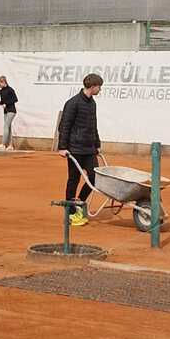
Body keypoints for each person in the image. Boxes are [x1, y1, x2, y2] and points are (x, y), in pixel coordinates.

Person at [57, 74, 103, 226]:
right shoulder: (73, 103)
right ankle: (70, 213)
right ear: (92, 86)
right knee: (74, 180)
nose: (100, 89)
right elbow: (64, 125)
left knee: (94, 177)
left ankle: (80, 204)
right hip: (75, 149)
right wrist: (62, 147)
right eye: (99, 86)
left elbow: (94, 125)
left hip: (89, 149)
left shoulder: (92, 104)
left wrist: (97, 144)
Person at [0, 75, 18, 150]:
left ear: (4, 82)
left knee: (6, 126)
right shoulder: (1, 91)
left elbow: (15, 99)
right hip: (5, 111)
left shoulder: (10, 90)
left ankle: (3, 144)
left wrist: (6, 104)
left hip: (11, 111)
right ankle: (10, 145)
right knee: (8, 127)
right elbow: (2, 102)